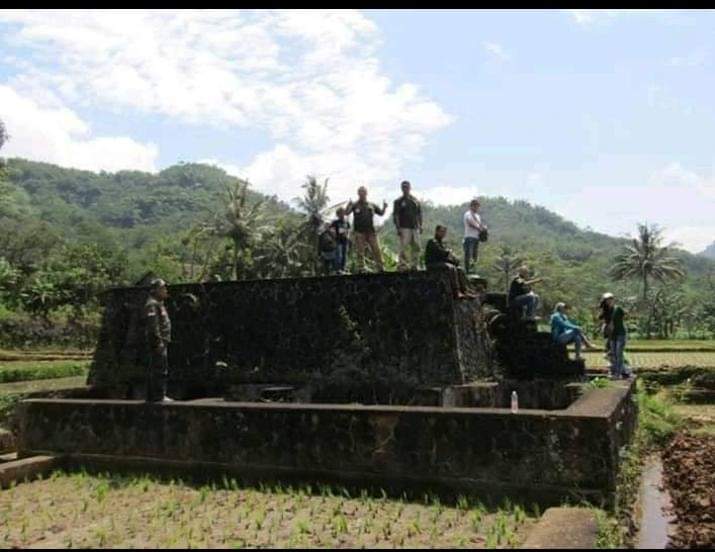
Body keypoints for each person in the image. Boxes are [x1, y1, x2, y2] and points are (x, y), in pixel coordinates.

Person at [425, 225, 476, 300]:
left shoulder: (441, 243)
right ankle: (456, 292)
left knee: (459, 269)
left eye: (444, 232)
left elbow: (445, 257)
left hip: (440, 263)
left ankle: (465, 290)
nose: (443, 234)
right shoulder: (432, 242)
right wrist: (448, 252)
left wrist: (454, 261)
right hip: (432, 264)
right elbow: (441, 253)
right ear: (437, 231)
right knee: (451, 268)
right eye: (441, 232)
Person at [345, 186, 387, 272]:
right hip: (359, 232)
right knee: (360, 251)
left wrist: (384, 207)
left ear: (366, 193)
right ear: (358, 194)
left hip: (371, 231)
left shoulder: (371, 205)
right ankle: (361, 267)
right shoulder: (355, 205)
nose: (362, 194)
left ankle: (380, 267)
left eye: (363, 192)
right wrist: (348, 205)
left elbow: (381, 213)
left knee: (376, 249)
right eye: (360, 192)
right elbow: (346, 213)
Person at [144, 278, 173, 402]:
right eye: (163, 289)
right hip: (157, 343)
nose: (165, 291)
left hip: (162, 342)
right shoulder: (152, 304)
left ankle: (155, 395)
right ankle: (158, 395)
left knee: (159, 368)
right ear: (156, 290)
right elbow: (153, 326)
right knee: (159, 369)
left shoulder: (158, 304)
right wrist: (158, 341)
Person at [393, 180, 422, 271]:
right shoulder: (398, 201)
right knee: (404, 247)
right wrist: (398, 227)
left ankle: (414, 265)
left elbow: (419, 214)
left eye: (407, 187)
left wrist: (420, 225)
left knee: (416, 246)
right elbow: (396, 215)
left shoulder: (415, 200)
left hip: (415, 226)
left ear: (410, 188)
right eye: (404, 187)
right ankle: (402, 265)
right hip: (404, 227)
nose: (405, 189)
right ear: (401, 188)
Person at [604, 294, 631, 379]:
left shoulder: (618, 309)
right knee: (614, 354)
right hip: (612, 335)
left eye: (610, 299)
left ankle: (618, 374)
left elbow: (626, 315)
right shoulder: (607, 311)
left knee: (619, 354)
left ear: (613, 300)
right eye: (607, 300)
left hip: (620, 333)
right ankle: (618, 372)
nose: (609, 301)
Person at [463, 198, 485, 274]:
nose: (476, 208)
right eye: (475, 206)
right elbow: (470, 223)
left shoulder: (478, 216)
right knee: (469, 255)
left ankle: (473, 270)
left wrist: (483, 229)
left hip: (476, 238)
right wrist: (479, 228)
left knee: (474, 256)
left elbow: (480, 225)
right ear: (471, 206)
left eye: (477, 206)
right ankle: (468, 271)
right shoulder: (468, 214)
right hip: (469, 237)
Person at [330, 207, 351, 274]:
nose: (341, 214)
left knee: (345, 255)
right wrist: (334, 235)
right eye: (340, 213)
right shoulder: (335, 222)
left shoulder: (347, 222)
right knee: (339, 255)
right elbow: (331, 229)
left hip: (345, 241)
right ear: (337, 214)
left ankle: (343, 268)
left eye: (342, 212)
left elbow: (349, 230)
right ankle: (337, 269)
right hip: (338, 240)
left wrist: (348, 235)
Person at [598, 292, 615, 366]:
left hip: (611, 326)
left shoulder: (612, 308)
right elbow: (600, 317)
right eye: (609, 299)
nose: (610, 300)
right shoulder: (606, 309)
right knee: (610, 341)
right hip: (608, 326)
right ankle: (608, 355)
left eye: (611, 299)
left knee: (611, 341)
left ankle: (610, 355)